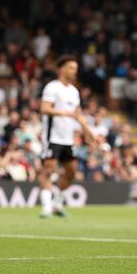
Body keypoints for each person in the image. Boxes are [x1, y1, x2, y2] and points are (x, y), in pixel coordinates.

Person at [38, 56, 95, 218]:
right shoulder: (52, 87)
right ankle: (46, 206)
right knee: (48, 170)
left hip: (67, 138)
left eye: (75, 69)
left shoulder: (74, 91)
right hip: (52, 137)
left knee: (71, 172)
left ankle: (57, 202)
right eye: (71, 68)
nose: (74, 72)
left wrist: (89, 133)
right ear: (61, 69)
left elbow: (78, 115)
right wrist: (66, 113)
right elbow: (44, 108)